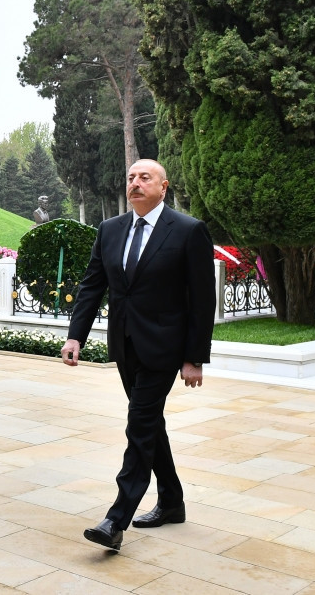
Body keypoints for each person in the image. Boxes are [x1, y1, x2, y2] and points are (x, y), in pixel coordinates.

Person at [61, 158, 215, 551]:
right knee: (149, 424)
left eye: (145, 177)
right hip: (125, 346)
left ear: (163, 187)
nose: (135, 183)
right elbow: (92, 286)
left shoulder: (188, 230)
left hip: (165, 347)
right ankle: (172, 502)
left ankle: (116, 519)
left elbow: (202, 300)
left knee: (139, 424)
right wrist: (76, 336)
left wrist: (194, 357)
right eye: (131, 177)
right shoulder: (110, 230)